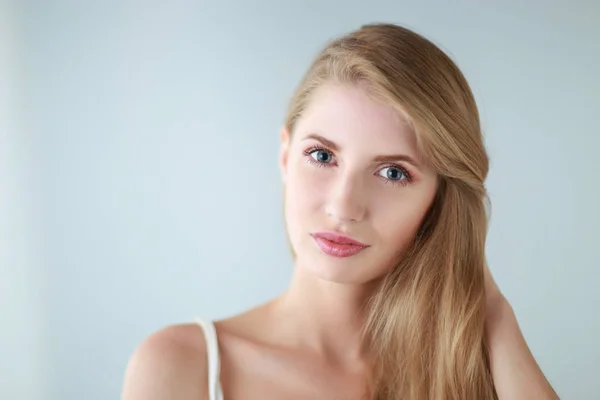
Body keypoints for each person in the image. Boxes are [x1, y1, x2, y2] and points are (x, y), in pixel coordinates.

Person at [121, 23, 559, 400]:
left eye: (392, 172)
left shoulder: (471, 376)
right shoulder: (184, 366)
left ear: (439, 198)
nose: (344, 206)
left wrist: (495, 312)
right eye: (322, 156)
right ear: (285, 156)